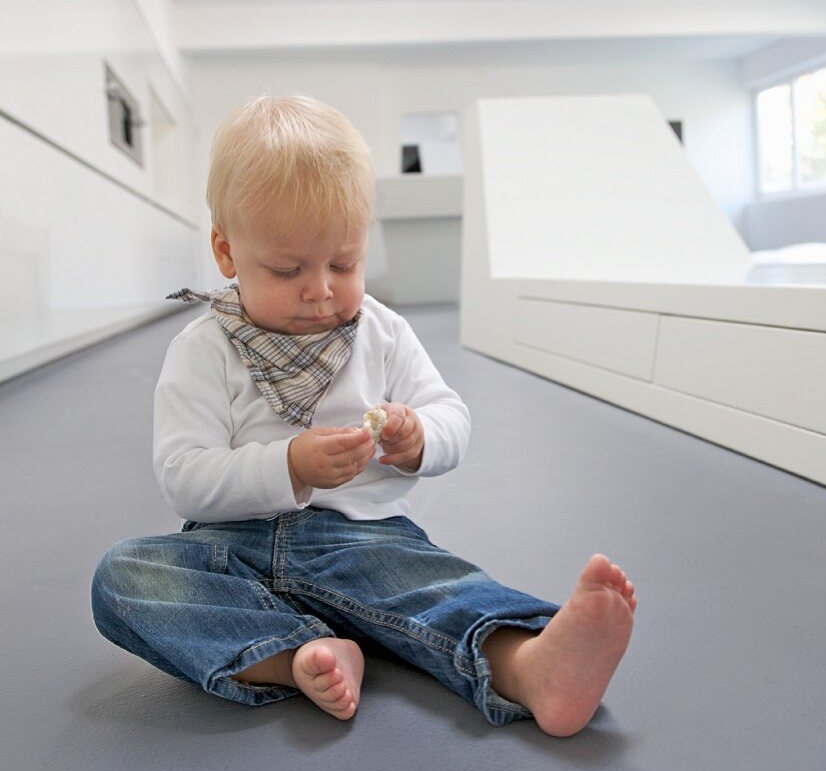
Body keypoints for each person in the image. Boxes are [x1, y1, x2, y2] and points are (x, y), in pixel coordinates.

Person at [91, 94, 636, 736]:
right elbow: (183, 475)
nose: (321, 288)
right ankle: (299, 656)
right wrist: (288, 463)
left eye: (344, 263)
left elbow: (450, 414)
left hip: (363, 536)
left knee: (432, 586)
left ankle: (530, 663)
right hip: (227, 546)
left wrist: (419, 437)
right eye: (289, 268)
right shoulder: (203, 348)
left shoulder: (380, 331)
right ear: (227, 253)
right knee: (124, 578)